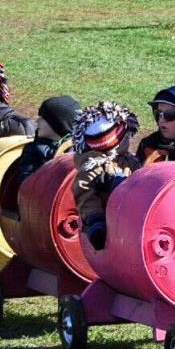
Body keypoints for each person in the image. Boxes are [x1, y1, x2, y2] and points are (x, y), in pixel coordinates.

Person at [72, 101, 141, 250]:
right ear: (119, 141)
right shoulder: (93, 167)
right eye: (126, 136)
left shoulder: (129, 160)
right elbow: (84, 193)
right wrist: (95, 222)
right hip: (108, 228)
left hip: (129, 224)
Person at [15, 95, 81, 183]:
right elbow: (28, 184)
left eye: (42, 119)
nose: (37, 121)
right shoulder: (32, 151)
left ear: (58, 125)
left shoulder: (80, 149)